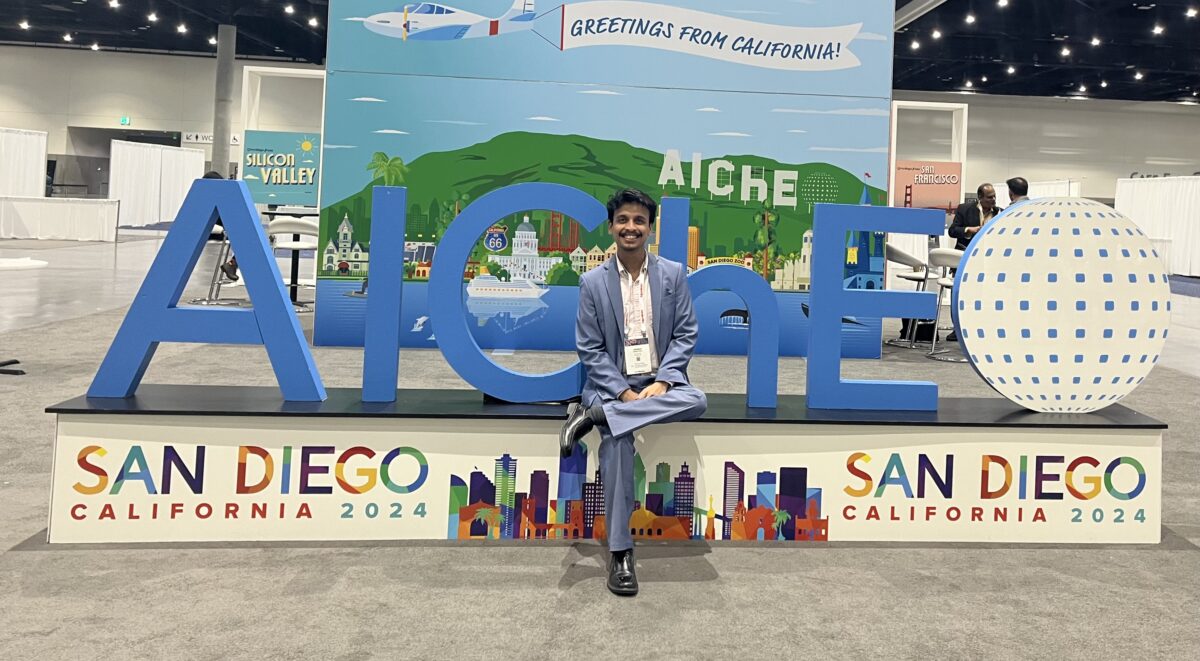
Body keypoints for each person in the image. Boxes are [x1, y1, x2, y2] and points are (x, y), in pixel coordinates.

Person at [559, 188, 707, 597]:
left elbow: (685, 333)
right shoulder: (592, 282)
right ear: (611, 227)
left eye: (639, 221)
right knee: (618, 443)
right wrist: (622, 395)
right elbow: (589, 348)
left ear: (650, 229)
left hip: (659, 384)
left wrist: (663, 381)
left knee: (697, 399)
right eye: (623, 220)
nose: (631, 227)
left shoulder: (674, 274)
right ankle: (621, 554)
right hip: (611, 387)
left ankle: (594, 417)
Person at [202, 170, 240, 281]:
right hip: (213, 232)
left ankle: (232, 264)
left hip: (221, 232)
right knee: (247, 240)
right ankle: (232, 264)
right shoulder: (209, 202)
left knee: (248, 240)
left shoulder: (216, 201)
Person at [947, 183, 1001, 252]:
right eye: (990, 197)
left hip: (988, 253)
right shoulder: (964, 209)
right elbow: (952, 231)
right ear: (980, 197)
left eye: (994, 196)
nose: (993, 199)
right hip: (966, 253)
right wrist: (968, 230)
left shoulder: (999, 213)